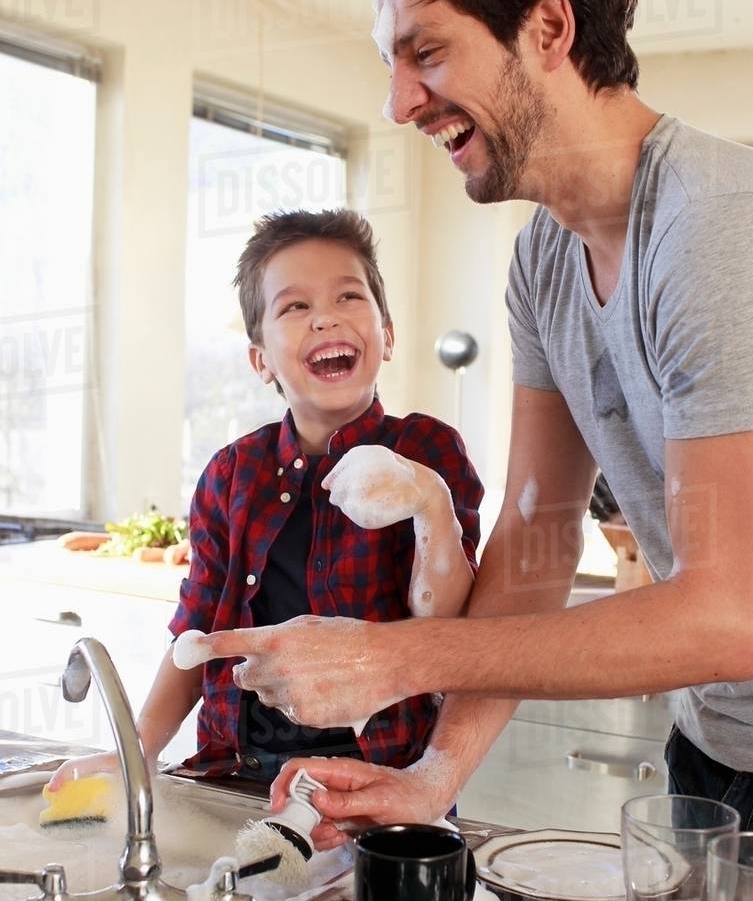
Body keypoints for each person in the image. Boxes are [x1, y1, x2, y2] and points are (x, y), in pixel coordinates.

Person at [181, 0, 753, 842]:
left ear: (549, 27)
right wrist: (435, 774)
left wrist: (397, 658)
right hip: (717, 747)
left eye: (427, 52)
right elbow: (537, 537)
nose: (397, 104)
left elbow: (727, 618)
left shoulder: (720, 227)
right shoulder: (544, 260)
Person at [48, 208, 482, 792]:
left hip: (379, 775)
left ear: (388, 334)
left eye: (349, 297)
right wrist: (137, 753)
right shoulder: (231, 474)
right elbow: (195, 635)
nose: (325, 318)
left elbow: (448, 627)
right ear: (261, 361)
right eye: (295, 307)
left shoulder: (427, 449)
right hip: (237, 772)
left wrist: (432, 504)